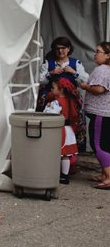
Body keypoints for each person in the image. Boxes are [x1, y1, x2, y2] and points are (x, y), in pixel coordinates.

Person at [36, 36, 89, 168]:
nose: (60, 51)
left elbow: (85, 80)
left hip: (70, 102)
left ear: (69, 49)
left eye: (63, 48)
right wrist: (51, 73)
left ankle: (70, 159)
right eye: (57, 48)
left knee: (70, 127)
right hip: (51, 99)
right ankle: (49, 157)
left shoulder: (76, 63)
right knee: (51, 126)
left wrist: (73, 72)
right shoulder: (48, 63)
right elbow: (39, 81)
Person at [80, 42, 110, 189]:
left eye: (98, 51)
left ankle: (109, 177)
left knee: (98, 145)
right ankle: (104, 174)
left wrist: (85, 86)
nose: (95, 54)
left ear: (107, 55)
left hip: (101, 113)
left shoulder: (103, 69)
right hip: (105, 114)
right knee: (105, 145)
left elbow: (99, 89)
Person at [43, 78, 82, 184]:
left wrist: (47, 106)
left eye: (53, 88)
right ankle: (65, 175)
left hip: (59, 130)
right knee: (66, 155)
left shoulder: (56, 103)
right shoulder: (70, 101)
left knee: (55, 153)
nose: (51, 90)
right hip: (68, 130)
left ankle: (52, 173)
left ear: (61, 89)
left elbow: (49, 115)